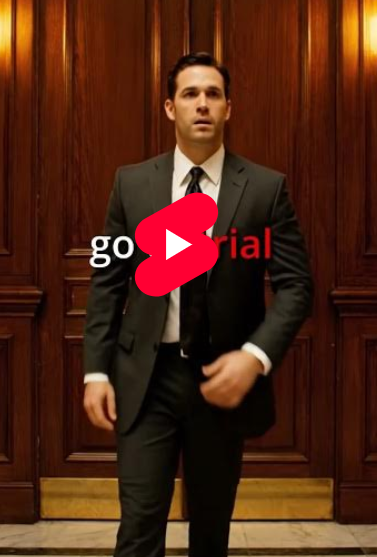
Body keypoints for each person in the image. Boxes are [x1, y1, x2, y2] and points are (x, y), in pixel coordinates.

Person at [83, 52, 314, 557]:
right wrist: (95, 372)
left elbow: (297, 286)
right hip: (145, 380)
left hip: (220, 382)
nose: (202, 104)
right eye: (190, 94)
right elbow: (107, 281)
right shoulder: (131, 183)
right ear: (170, 107)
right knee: (138, 528)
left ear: (229, 107)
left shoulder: (266, 188)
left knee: (211, 531)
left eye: (213, 94)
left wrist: (254, 357)